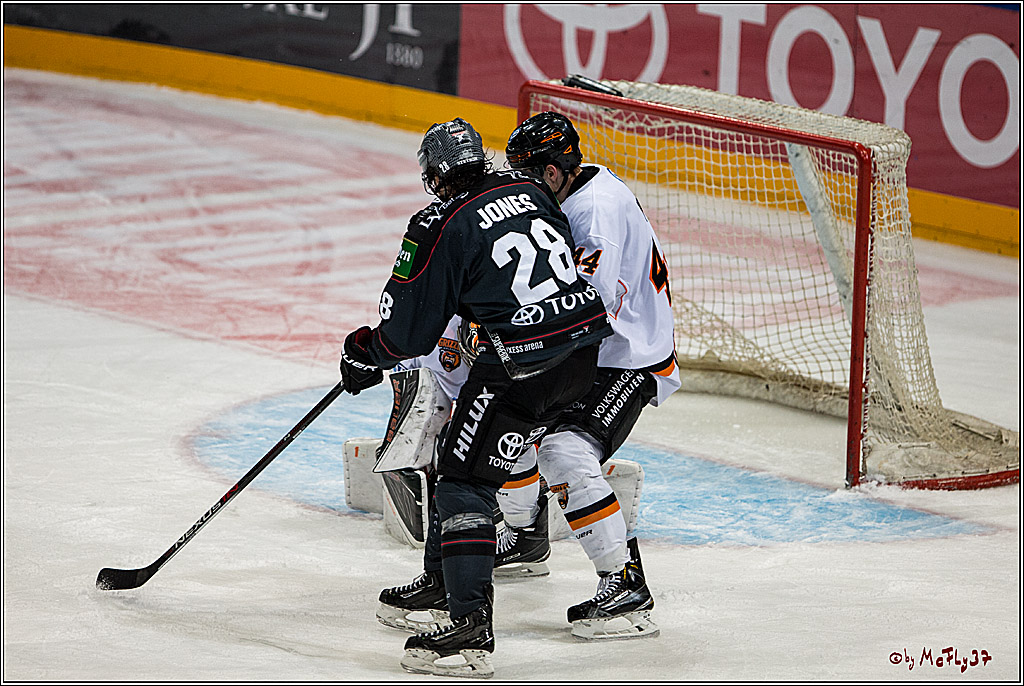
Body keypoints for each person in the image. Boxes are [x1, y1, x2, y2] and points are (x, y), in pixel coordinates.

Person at [377, 112, 681, 642]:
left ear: (557, 168)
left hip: (627, 356)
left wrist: (489, 332)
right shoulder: (564, 193)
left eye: (530, 170)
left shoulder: (594, 212)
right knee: (501, 430)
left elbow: (589, 303)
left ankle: (625, 584)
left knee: (562, 449)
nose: (522, 179)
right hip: (585, 350)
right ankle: (520, 536)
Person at [339, 117, 611, 678]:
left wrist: (364, 351)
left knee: (464, 480)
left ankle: (468, 627)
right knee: (452, 463)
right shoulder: (530, 188)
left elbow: (408, 334)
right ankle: (442, 586)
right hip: (585, 354)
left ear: (437, 178)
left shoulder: (438, 223)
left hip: (524, 365)